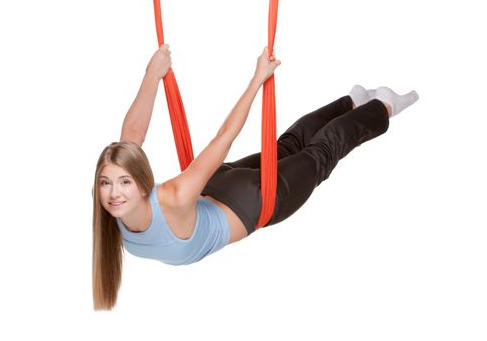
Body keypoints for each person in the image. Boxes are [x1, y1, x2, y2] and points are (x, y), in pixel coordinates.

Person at [92, 44, 419, 310]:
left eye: (123, 183)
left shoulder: (173, 197)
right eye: (106, 183)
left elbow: (223, 138)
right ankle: (353, 102)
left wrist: (257, 80)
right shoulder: (108, 212)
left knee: (318, 157)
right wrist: (152, 74)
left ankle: (382, 105)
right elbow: (131, 134)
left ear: (140, 180)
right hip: (219, 186)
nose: (114, 194)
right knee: (287, 148)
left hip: (249, 200)